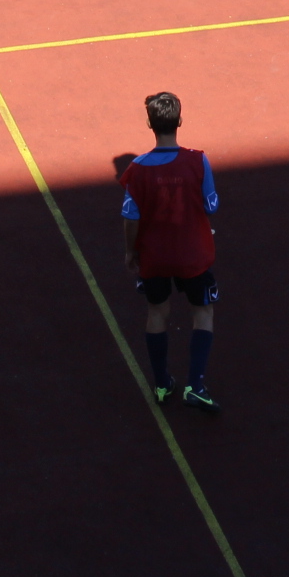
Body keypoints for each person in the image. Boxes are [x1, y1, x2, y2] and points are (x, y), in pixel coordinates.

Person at [120, 91, 222, 412]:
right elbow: (211, 205)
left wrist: (131, 252)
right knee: (202, 312)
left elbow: (130, 217)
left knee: (157, 313)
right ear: (180, 121)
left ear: (149, 124)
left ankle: (163, 384)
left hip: (155, 257)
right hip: (193, 255)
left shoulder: (136, 169)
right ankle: (196, 385)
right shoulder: (197, 160)